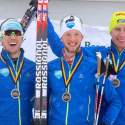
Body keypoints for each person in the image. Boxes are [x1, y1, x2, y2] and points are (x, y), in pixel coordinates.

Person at [47, 11, 125, 124]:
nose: (121, 34)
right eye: (117, 29)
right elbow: (65, 48)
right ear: (111, 31)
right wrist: (43, 18)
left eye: (124, 29)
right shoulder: (98, 56)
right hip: (100, 119)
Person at [0, 18, 35, 125]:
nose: (13, 37)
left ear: (22, 38)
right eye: (8, 33)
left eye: (17, 33)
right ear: (1, 38)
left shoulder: (33, 68)